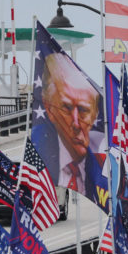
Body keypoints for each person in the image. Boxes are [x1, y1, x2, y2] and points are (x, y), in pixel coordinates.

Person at [31, 52, 107, 203]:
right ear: (49, 109)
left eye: (84, 110)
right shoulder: (39, 149)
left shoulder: (103, 154)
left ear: (95, 114)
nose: (76, 123)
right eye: (66, 108)